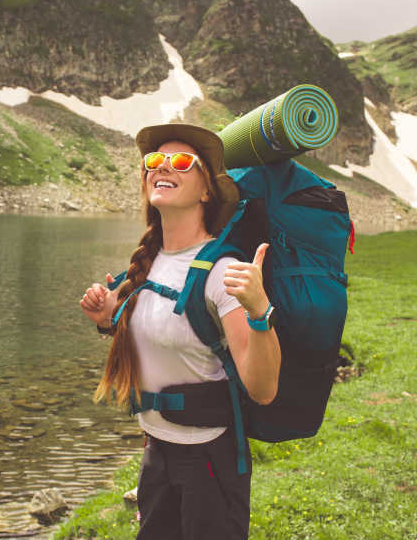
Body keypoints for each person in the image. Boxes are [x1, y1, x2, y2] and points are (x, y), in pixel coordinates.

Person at [79, 123, 281, 540]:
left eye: (182, 162)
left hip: (207, 457)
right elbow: (161, 340)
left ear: (207, 191)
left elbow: (262, 389)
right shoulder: (149, 263)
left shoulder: (221, 272)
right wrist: (106, 321)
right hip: (156, 447)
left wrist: (259, 311)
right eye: (154, 161)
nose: (162, 167)